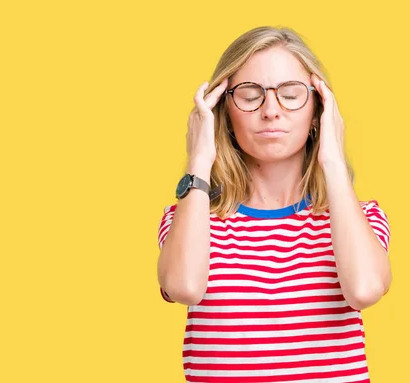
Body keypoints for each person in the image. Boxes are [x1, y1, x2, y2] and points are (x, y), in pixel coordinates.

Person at [156, 26, 392, 383]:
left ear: (318, 111)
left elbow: (364, 290)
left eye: (291, 94)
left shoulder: (359, 217)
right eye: (250, 95)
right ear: (225, 113)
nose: (271, 111)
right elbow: (184, 287)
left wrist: (333, 161)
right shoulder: (191, 215)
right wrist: (199, 160)